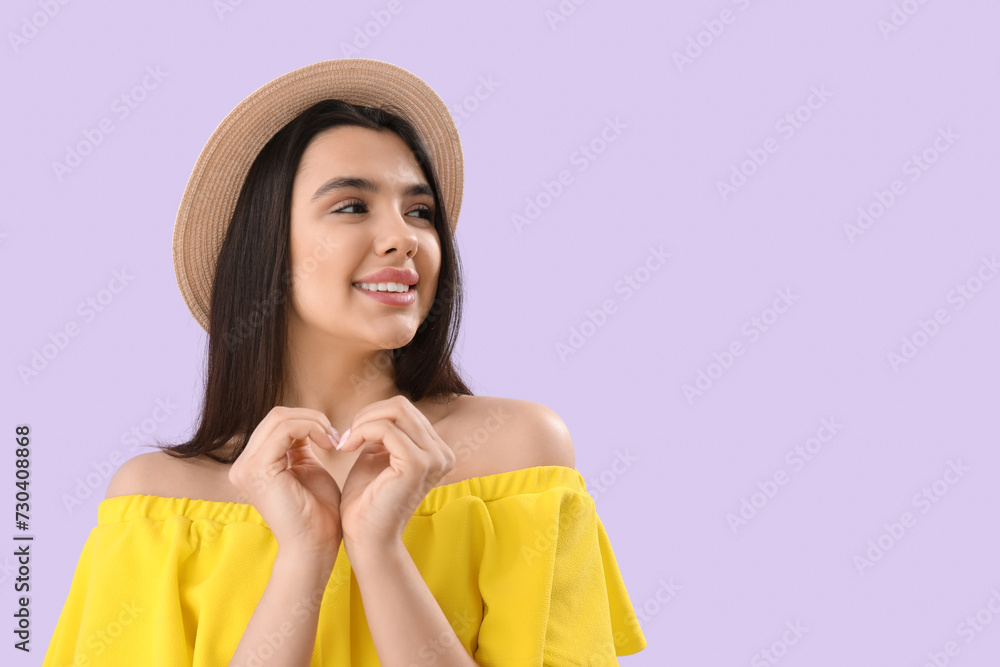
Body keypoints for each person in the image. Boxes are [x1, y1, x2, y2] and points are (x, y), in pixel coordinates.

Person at [41, 58, 648, 666]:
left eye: (420, 212)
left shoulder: (521, 453)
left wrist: (379, 549)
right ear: (265, 248)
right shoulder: (154, 504)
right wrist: (306, 557)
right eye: (353, 206)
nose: (403, 237)